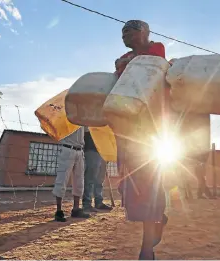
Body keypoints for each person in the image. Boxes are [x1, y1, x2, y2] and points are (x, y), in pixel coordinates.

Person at [114, 20, 167, 260]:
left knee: (150, 184)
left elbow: (150, 63)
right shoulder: (122, 59)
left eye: (131, 30)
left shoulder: (156, 48)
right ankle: (158, 220)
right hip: (127, 130)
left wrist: (126, 63)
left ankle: (147, 248)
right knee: (130, 183)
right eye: (123, 31)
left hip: (153, 128)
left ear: (145, 32)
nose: (125, 34)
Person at [52, 127, 90, 222]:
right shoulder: (65, 113)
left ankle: (76, 209)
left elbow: (87, 129)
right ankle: (59, 211)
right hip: (67, 148)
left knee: (79, 181)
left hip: (80, 150)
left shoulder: (82, 115)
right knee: (62, 179)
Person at [82, 127, 113, 212]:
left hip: (102, 151)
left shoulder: (103, 120)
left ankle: (98, 202)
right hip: (91, 149)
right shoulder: (87, 118)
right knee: (90, 177)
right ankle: (87, 203)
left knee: (100, 179)